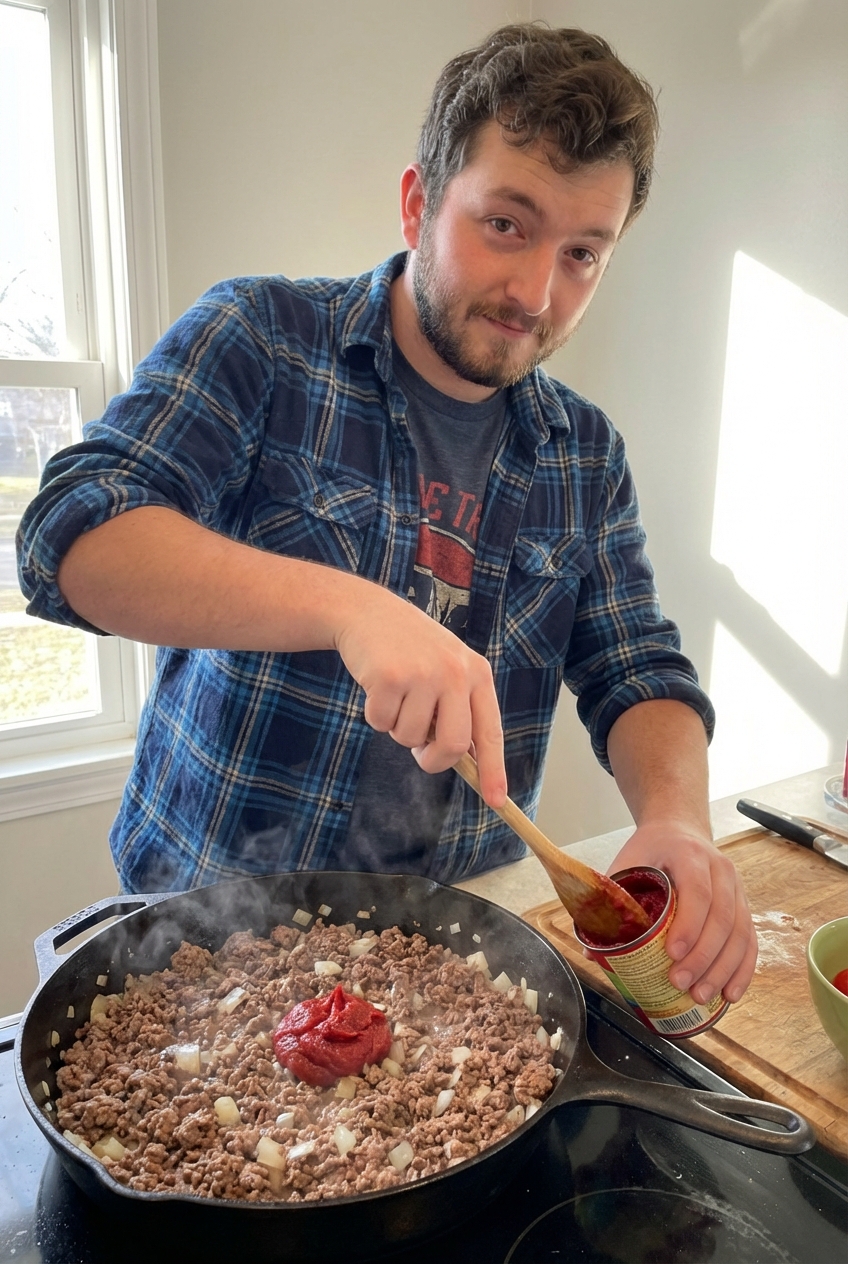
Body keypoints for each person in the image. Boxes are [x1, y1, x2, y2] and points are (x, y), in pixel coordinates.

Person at [17, 24, 757, 1007]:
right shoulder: (262, 340)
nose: (537, 292)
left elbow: (639, 673)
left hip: (441, 971)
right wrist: (348, 608)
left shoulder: (583, 454)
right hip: (200, 956)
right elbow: (69, 534)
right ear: (419, 201)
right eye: (506, 224)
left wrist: (675, 818)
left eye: (582, 252)